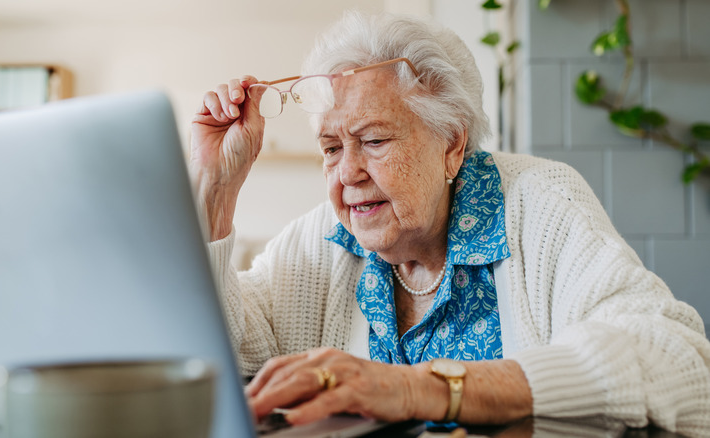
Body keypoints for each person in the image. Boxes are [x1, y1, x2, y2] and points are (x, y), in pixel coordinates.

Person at [189, 11, 710, 436]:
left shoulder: (536, 205)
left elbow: (677, 359)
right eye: (331, 148)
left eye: (373, 141)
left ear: (452, 143)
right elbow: (215, 361)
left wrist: (421, 388)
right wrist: (216, 189)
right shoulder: (320, 241)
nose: (348, 172)